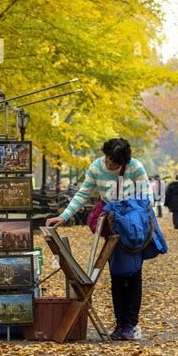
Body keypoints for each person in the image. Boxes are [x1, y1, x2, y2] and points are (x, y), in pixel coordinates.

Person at [46, 138, 154, 341]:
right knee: (116, 274)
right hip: (112, 227)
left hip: (132, 227)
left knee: (133, 274)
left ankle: (130, 324)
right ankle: (120, 323)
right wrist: (64, 216)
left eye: (115, 162)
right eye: (108, 159)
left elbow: (148, 198)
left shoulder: (135, 167)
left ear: (124, 162)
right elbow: (82, 194)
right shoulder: (96, 167)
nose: (110, 164)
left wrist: (129, 211)